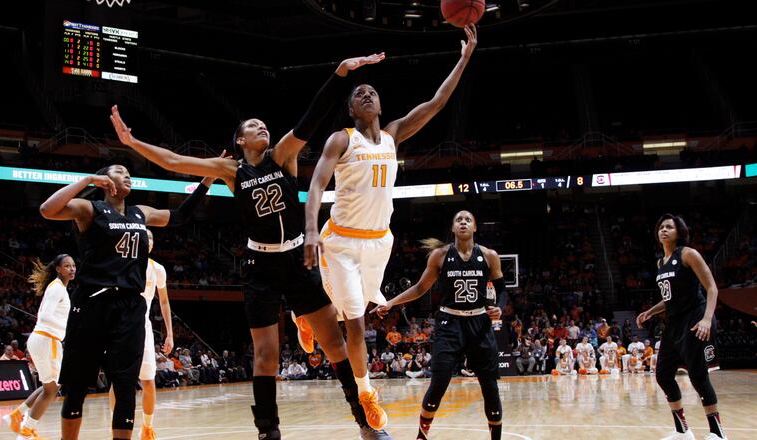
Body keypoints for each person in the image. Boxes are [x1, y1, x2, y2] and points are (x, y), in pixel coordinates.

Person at [109, 53, 393, 440]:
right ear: (240, 141)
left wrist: (340, 74)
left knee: (334, 343)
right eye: (253, 126)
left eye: (264, 124)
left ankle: (364, 424)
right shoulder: (231, 171)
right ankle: (268, 431)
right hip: (259, 267)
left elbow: (312, 115)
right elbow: (175, 161)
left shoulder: (283, 155)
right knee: (266, 355)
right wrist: (131, 142)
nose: (263, 128)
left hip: (297, 259)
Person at [304, 25, 478, 432]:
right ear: (351, 109)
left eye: (372, 92)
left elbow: (436, 102)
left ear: (380, 104)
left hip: (379, 243)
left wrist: (465, 57)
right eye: (358, 93)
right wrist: (311, 230)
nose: (366, 94)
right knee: (355, 322)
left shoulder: (392, 136)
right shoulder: (341, 140)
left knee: (354, 311)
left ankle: (305, 315)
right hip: (342, 241)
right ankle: (366, 392)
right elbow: (315, 184)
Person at [39, 163, 209, 440]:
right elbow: (47, 209)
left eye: (129, 171)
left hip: (130, 307)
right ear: (106, 179)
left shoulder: (140, 213)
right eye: (120, 170)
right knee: (78, 386)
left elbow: (179, 216)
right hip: (93, 304)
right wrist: (87, 179)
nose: (127, 174)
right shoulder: (90, 209)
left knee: (126, 385)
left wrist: (206, 182)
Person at [373, 209, 508, 440]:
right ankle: (421, 436)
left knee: (490, 387)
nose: (463, 222)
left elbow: (502, 289)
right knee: (438, 383)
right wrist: (391, 303)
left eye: (468, 220)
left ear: (474, 227)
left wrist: (500, 307)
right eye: (459, 220)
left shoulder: (489, 256)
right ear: (453, 228)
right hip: (449, 322)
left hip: (479, 323)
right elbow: (419, 288)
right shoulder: (440, 255)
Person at [637, 214, 727, 440]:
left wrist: (707, 319)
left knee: (698, 377)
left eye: (669, 227)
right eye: (661, 227)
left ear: (679, 232)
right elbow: (669, 300)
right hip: (674, 322)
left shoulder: (688, 254)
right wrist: (650, 311)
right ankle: (682, 430)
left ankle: (717, 434)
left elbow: (712, 288)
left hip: (696, 318)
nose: (664, 230)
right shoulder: (660, 263)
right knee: (663, 375)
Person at [109, 229, 176, 439]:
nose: (147, 241)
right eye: (144, 238)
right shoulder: (122, 262)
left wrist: (169, 334)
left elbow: (164, 302)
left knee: (148, 380)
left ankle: (147, 428)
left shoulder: (158, 269)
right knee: (117, 381)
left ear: (153, 244)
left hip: (143, 328)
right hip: (119, 326)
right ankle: (117, 423)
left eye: (150, 239)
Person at [3, 254, 75, 440]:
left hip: (43, 339)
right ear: (58, 269)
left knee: (49, 386)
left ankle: (17, 415)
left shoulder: (57, 288)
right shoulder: (58, 289)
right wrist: (68, 328)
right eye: (67, 266)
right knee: (52, 389)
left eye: (73, 265)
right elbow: (44, 317)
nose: (72, 269)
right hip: (46, 339)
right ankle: (27, 428)